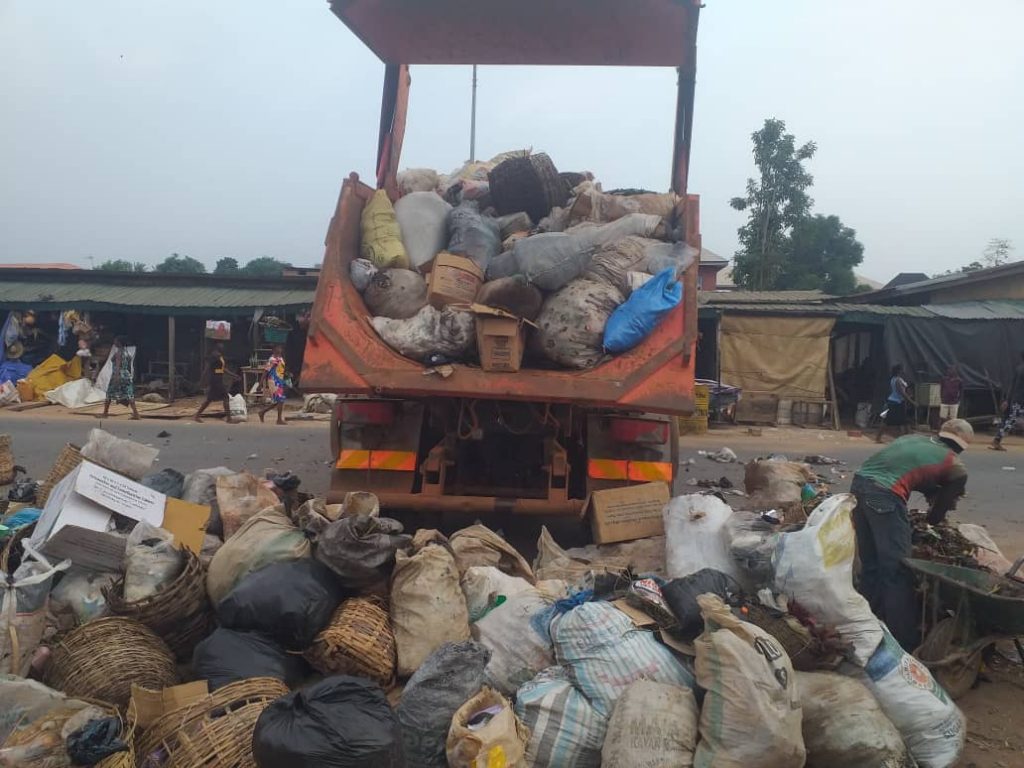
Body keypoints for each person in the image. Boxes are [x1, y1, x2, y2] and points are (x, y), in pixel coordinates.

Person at [852, 419, 974, 651]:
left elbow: (911, 470)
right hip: (884, 497)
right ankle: (904, 642)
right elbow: (936, 517)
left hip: (859, 486)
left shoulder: (912, 438)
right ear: (961, 447)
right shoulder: (955, 466)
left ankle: (864, 625)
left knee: (871, 566)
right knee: (899, 571)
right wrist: (932, 517)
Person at [194, 342, 239, 423]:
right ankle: (229, 419)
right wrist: (202, 380)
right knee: (225, 397)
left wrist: (233, 375)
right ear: (217, 347)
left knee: (209, 399)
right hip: (215, 379)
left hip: (218, 378)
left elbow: (223, 369)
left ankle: (197, 415)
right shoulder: (214, 356)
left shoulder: (219, 356)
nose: (223, 347)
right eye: (221, 346)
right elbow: (207, 368)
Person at [991, 350, 1024, 451]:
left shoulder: (1018, 369)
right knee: (1010, 421)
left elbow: (1012, 386)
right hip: (1019, 401)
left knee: (1008, 420)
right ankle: (997, 440)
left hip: (1015, 400)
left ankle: (997, 440)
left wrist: (1007, 400)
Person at [101, 336, 140, 420]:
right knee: (129, 395)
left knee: (109, 394)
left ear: (119, 342)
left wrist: (116, 377)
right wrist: (130, 375)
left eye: (115, 341)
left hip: (118, 374)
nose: (114, 342)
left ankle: (105, 413)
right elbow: (130, 366)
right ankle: (136, 414)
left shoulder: (118, 353)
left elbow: (118, 366)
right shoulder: (127, 353)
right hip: (126, 375)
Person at [875, 364, 916, 443]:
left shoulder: (894, 379)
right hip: (896, 403)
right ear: (899, 371)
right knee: (891, 421)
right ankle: (878, 438)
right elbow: (902, 393)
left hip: (895, 401)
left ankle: (906, 438)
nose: (903, 371)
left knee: (903, 421)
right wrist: (912, 402)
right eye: (902, 370)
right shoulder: (897, 380)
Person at [258, 345, 288, 425]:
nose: (280, 349)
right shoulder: (272, 359)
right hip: (273, 381)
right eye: (278, 348)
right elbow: (265, 371)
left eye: (281, 348)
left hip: (280, 380)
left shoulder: (280, 358)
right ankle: (278, 419)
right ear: (274, 349)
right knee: (280, 400)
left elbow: (281, 369)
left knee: (279, 401)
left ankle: (263, 412)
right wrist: (260, 384)